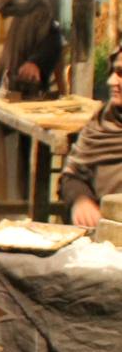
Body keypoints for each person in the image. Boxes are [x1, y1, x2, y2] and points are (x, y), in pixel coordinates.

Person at [60, 45, 122, 227]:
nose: (111, 81)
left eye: (120, 74)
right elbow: (72, 177)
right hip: (105, 239)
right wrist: (81, 200)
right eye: (112, 72)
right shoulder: (102, 123)